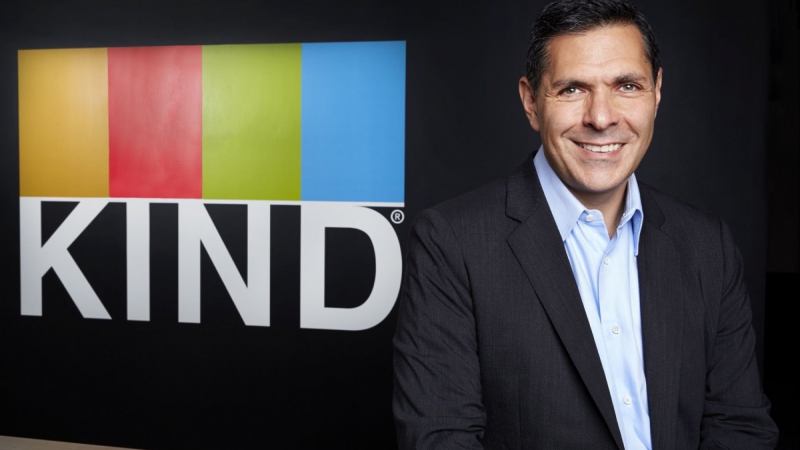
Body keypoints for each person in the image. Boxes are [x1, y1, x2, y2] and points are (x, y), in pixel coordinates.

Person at [391, 0, 780, 448]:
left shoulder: (707, 245)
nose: (601, 117)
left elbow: (740, 427)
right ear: (531, 101)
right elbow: (440, 437)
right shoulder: (453, 244)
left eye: (627, 86)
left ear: (656, 92)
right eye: (573, 89)